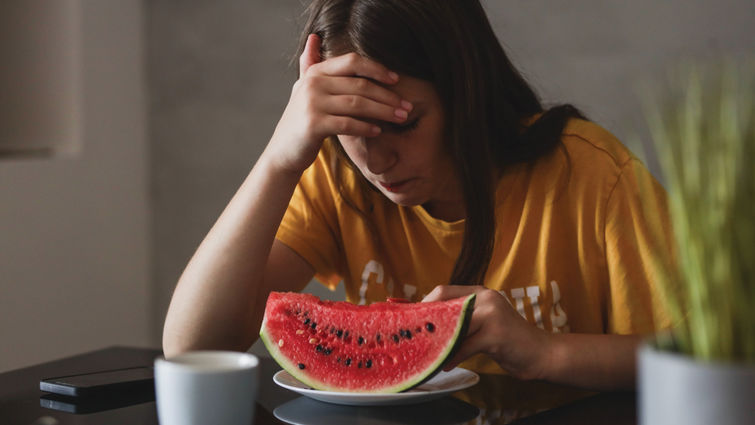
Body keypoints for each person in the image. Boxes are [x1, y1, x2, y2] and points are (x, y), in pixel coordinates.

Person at [162, 0, 675, 392]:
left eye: (403, 124)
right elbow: (192, 346)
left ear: (465, 91)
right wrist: (280, 158)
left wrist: (545, 353)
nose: (377, 161)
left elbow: (715, 361)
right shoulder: (336, 179)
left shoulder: (589, 172)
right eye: (352, 127)